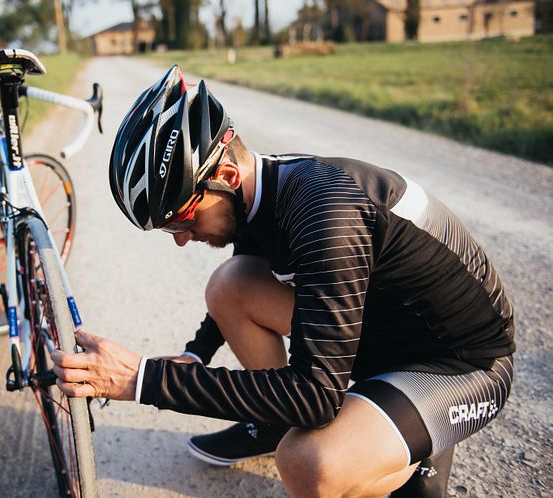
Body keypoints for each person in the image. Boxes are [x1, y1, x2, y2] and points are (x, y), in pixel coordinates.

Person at [51, 66, 515, 498]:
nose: (181, 239)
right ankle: (277, 421)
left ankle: (412, 455)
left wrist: (143, 378)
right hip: (378, 328)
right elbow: (232, 300)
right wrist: (195, 354)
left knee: (309, 461)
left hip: (460, 363)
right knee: (230, 284)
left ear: (226, 174)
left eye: (181, 220)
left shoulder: (324, 214)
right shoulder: (258, 192)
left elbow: (313, 396)